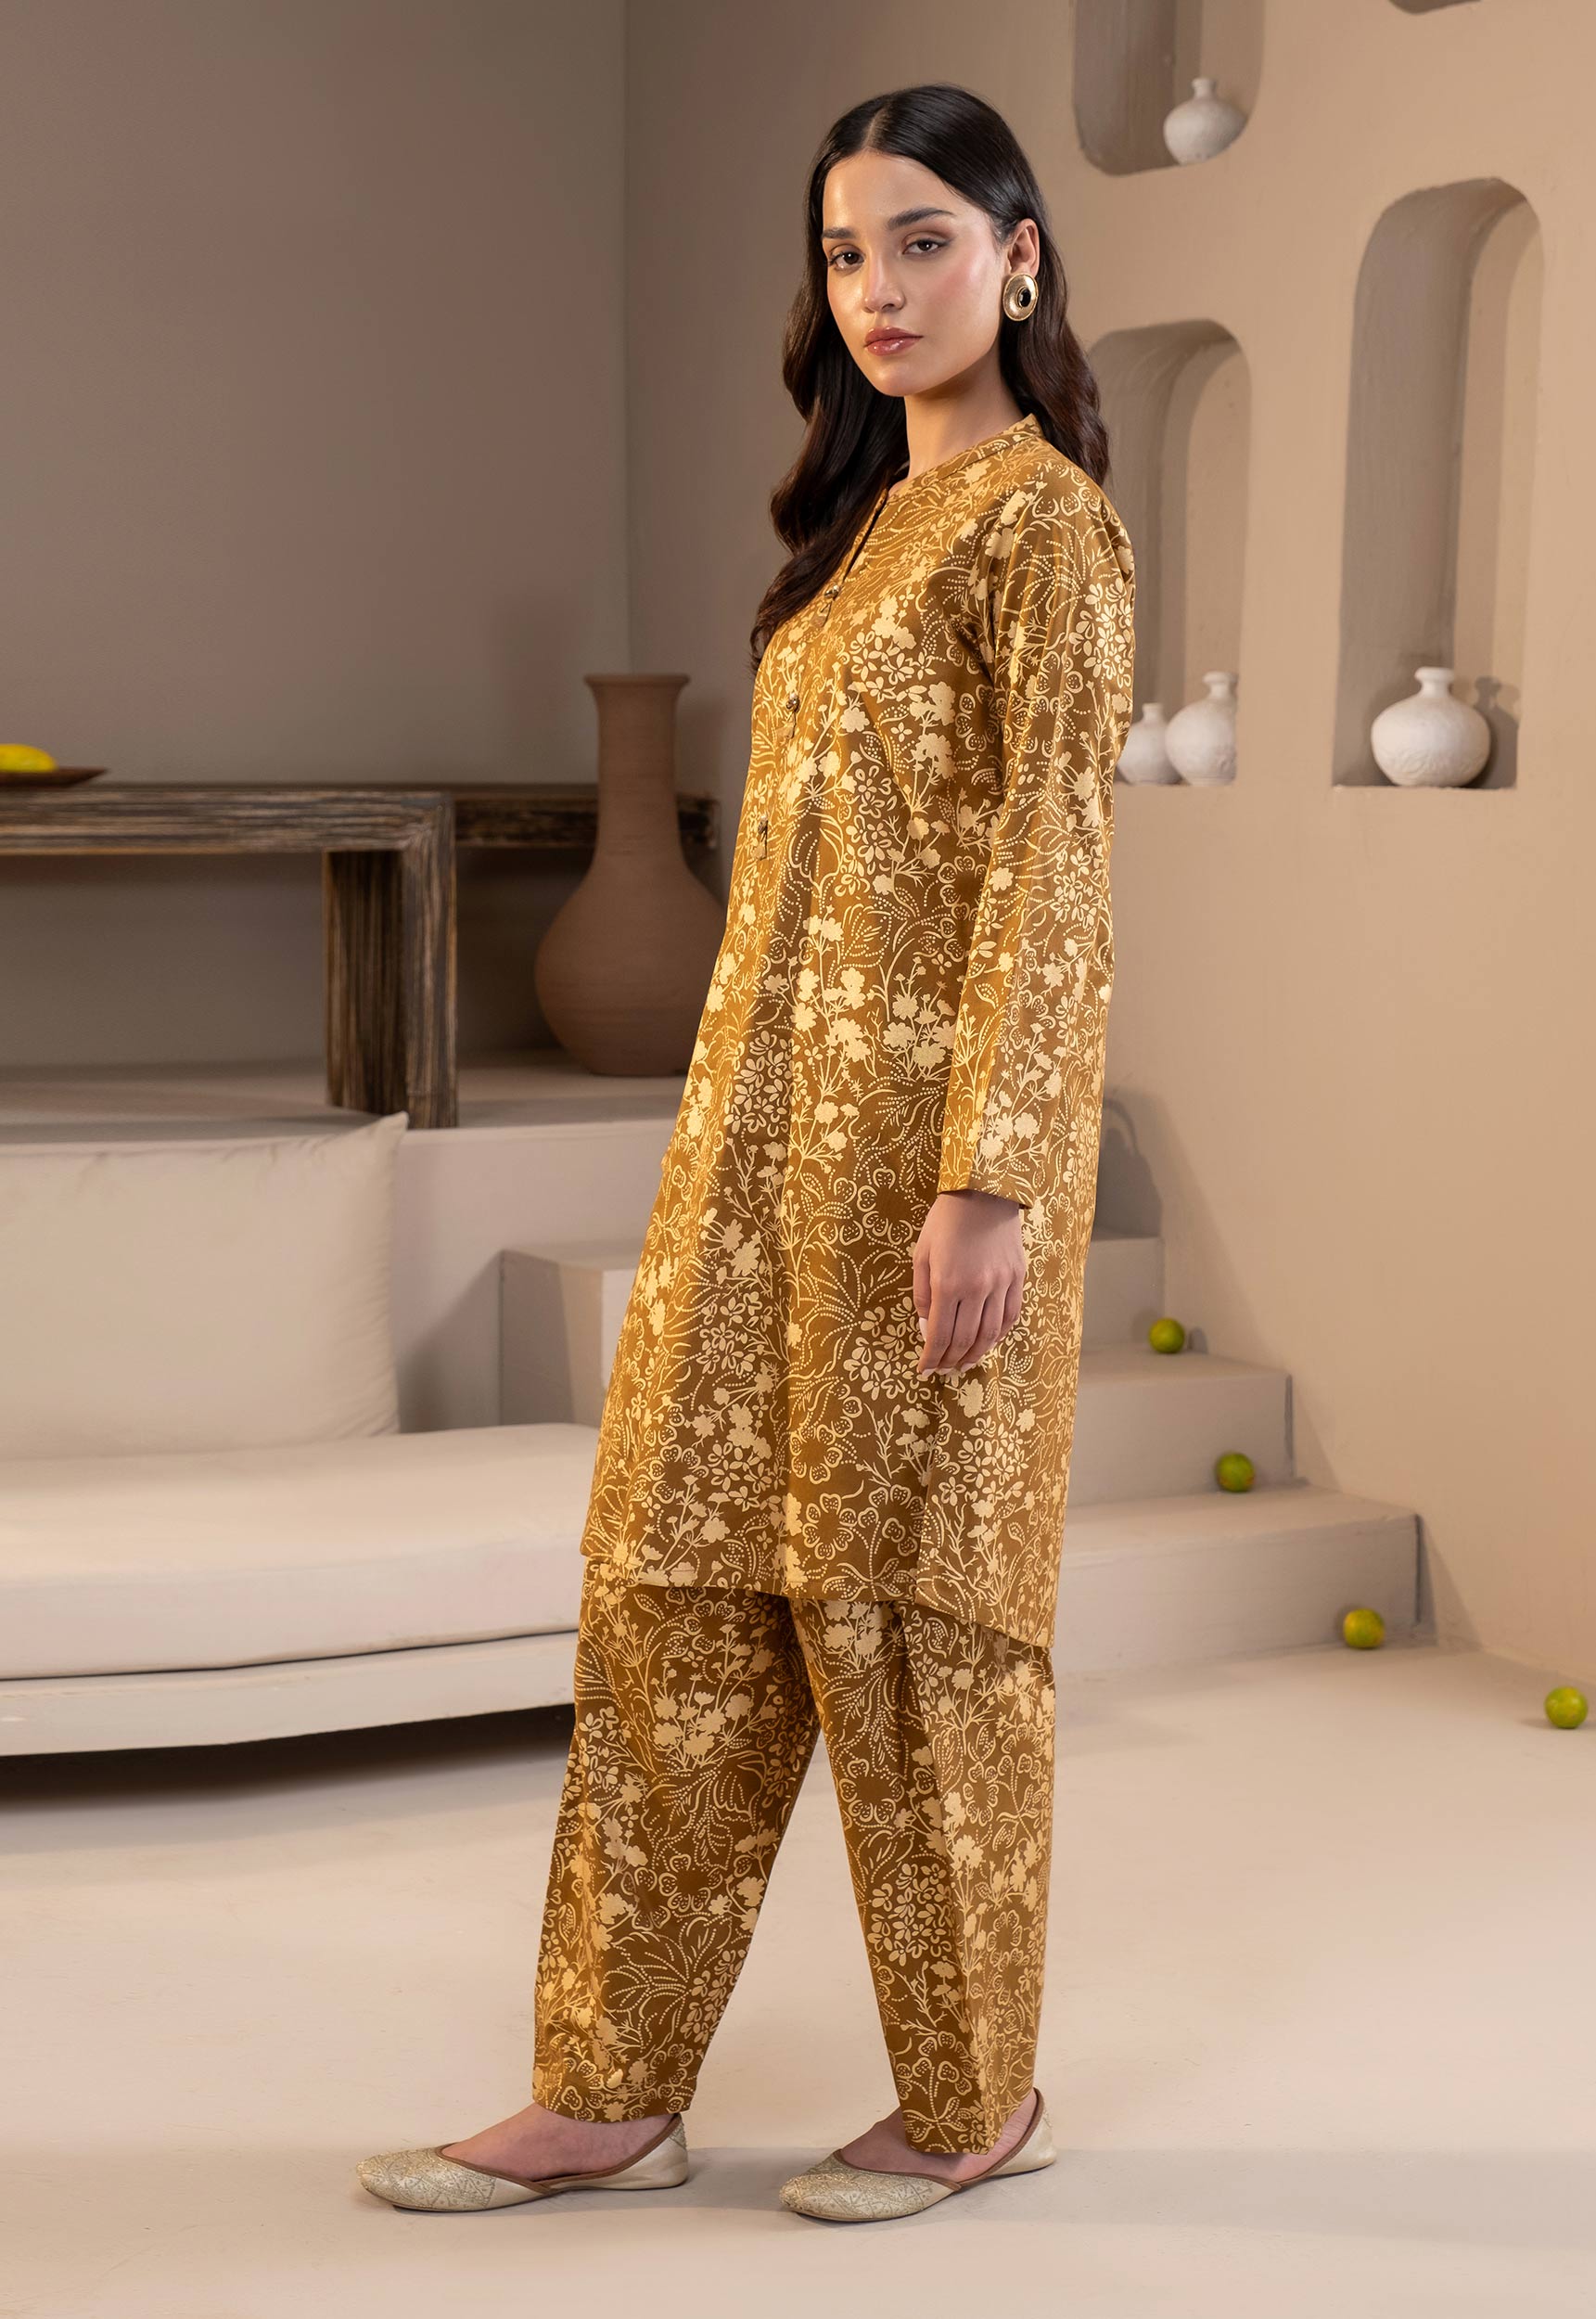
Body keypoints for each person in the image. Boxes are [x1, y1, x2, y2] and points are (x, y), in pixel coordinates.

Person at [357, 80, 1136, 2226]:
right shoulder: (851, 538)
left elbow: (1050, 878)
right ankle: (606, 2084)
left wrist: (989, 1176)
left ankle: (971, 2097)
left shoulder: (1048, 530)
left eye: (919, 241)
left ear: (1016, 258)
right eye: (842, 253)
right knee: (669, 1589)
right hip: (749, 1159)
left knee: (910, 1616)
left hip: (928, 1178)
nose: (877, 288)